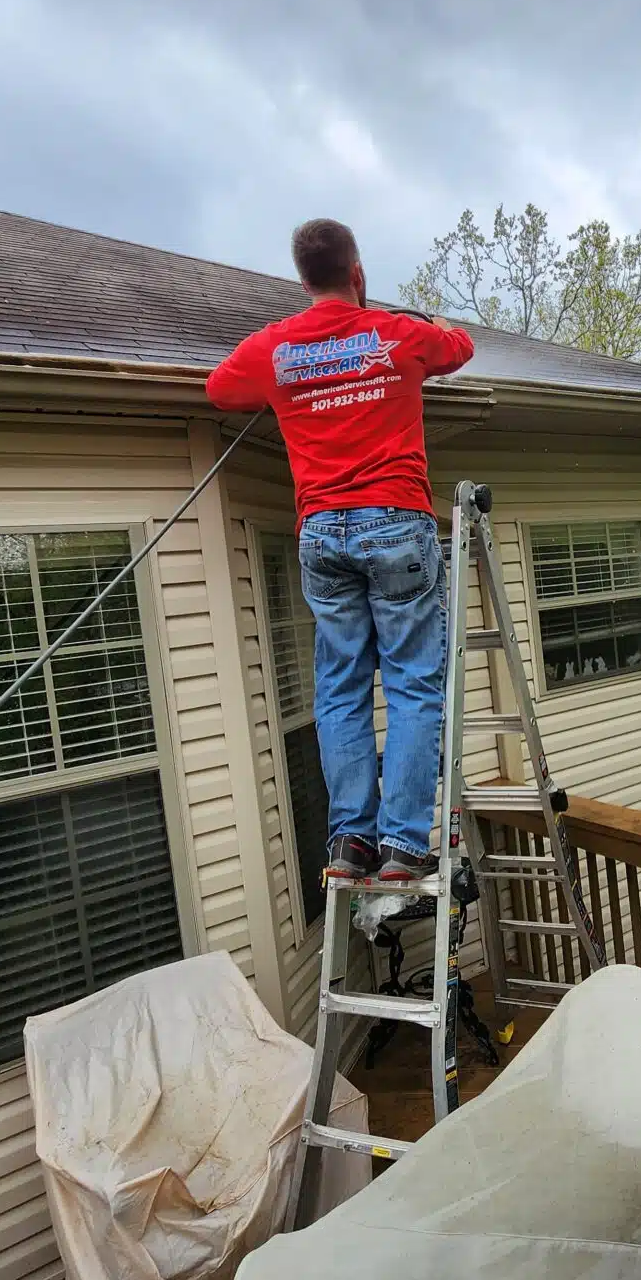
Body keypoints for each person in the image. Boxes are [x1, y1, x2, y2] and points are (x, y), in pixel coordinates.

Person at [206, 218, 474, 883]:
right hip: (395, 522)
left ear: (303, 279)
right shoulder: (396, 334)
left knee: (340, 687)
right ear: (357, 274)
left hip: (323, 533)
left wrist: (297, 378)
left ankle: (353, 841)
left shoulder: (275, 347)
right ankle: (405, 846)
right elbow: (459, 346)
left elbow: (219, 390)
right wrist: (430, 318)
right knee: (413, 684)